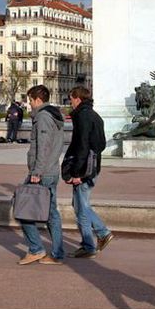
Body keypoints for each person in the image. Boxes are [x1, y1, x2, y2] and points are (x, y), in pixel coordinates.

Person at [62, 86, 114, 259]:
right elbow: (101, 145)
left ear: (77, 98)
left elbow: (82, 145)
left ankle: (99, 234)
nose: (70, 102)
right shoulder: (95, 116)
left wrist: (77, 172)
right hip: (93, 167)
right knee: (79, 205)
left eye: (71, 98)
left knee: (82, 206)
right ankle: (90, 243)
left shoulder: (82, 116)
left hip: (84, 169)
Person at [17, 85, 65, 265]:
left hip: (42, 173)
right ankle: (57, 253)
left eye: (30, 100)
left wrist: (36, 172)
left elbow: (43, 146)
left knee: (23, 209)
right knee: (51, 213)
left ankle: (36, 249)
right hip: (51, 171)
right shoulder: (53, 115)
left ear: (37, 99)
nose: (29, 104)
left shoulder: (43, 117)